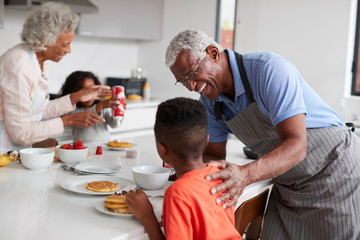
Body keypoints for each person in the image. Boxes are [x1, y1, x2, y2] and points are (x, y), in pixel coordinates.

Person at [165, 29, 360, 239]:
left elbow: (296, 145)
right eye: (183, 81)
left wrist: (245, 174)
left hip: (333, 174)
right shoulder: (211, 103)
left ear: (213, 53)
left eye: (191, 74)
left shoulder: (269, 70)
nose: (191, 87)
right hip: (287, 186)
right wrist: (187, 164)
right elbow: (214, 155)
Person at [0, 2, 110, 154]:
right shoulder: (19, 65)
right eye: (65, 45)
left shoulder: (39, 63)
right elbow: (20, 133)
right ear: (45, 39)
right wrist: (68, 120)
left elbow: (38, 111)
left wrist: (75, 97)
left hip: (17, 153)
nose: (69, 50)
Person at [125, 97, 242, 240]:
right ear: (206, 141)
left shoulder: (177, 194)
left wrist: (147, 215)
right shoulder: (221, 177)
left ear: (162, 150)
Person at [57, 71, 123, 143]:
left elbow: (114, 125)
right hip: (82, 149)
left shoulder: (103, 107)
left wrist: (119, 110)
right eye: (85, 90)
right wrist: (100, 106)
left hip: (105, 146)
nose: (90, 94)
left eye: (93, 89)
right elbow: (85, 116)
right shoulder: (71, 110)